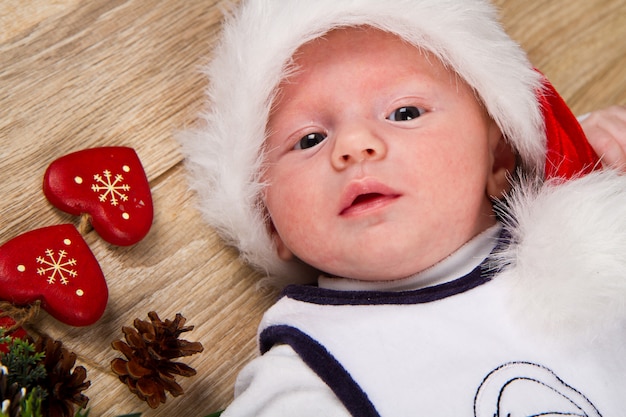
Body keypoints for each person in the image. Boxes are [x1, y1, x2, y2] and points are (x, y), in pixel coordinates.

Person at [180, 0, 626, 415]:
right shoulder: (312, 373)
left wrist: (599, 170)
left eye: (405, 113)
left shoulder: (585, 241)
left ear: (499, 159)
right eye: (310, 140)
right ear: (268, 221)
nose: (355, 146)